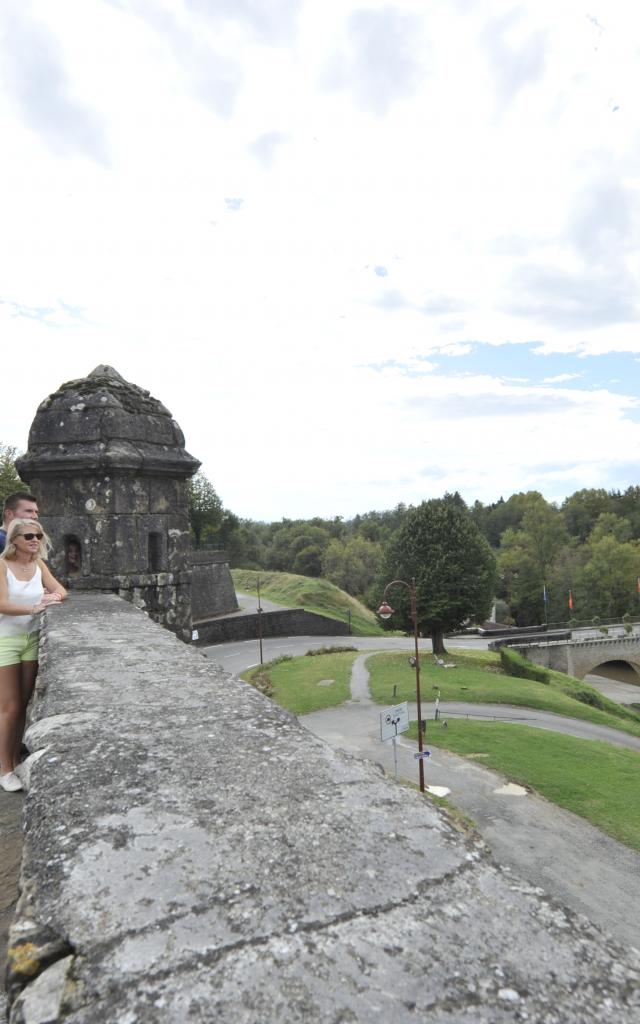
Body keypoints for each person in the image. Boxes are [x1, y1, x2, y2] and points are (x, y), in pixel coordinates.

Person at [0, 519, 67, 792]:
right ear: (14, 539)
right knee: (11, 706)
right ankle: (4, 769)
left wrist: (52, 599)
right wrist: (34, 608)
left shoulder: (38, 565)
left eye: (38, 535)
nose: (35, 540)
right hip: (6, 640)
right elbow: (1, 604)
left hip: (32, 638)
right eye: (28, 536)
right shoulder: (2, 566)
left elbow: (61, 590)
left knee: (25, 703)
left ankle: (16, 760)